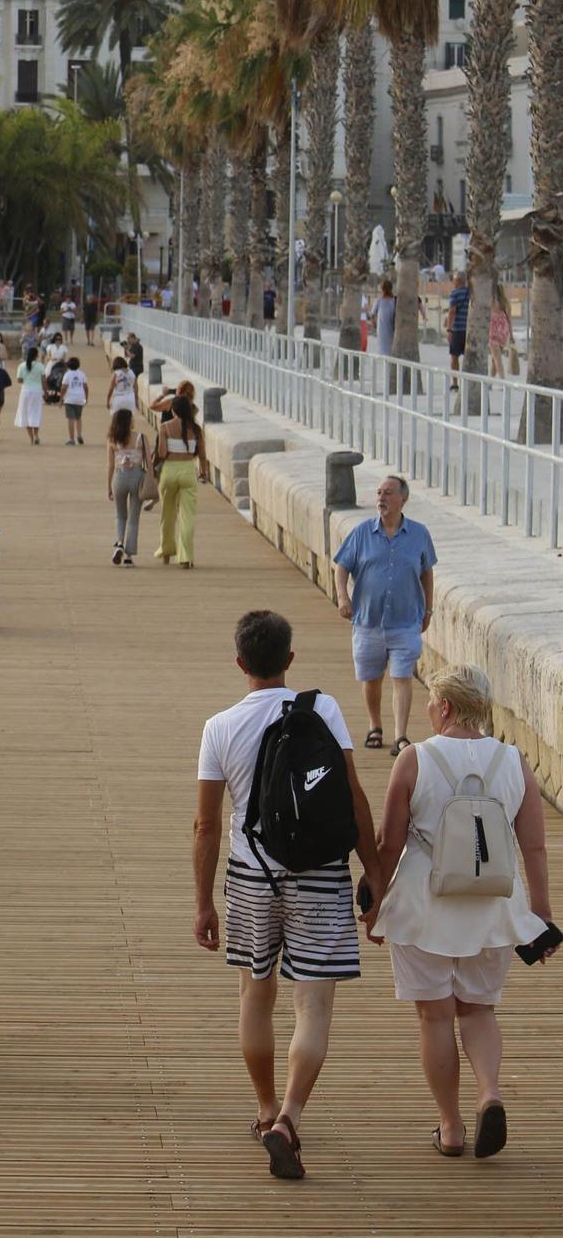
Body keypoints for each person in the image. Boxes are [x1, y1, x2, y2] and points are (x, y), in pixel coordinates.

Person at [194, 609, 383, 1183]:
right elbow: (352, 797)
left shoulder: (219, 727)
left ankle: (265, 1108)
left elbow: (205, 826)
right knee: (314, 1004)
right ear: (290, 661)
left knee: (256, 993)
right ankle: (291, 1118)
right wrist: (376, 876)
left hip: (251, 876)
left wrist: (204, 902)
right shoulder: (321, 709)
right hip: (321, 873)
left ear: (240, 663)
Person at [370, 663, 554, 1159]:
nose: (428, 709)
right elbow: (534, 848)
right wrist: (539, 918)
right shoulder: (514, 762)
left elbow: (389, 844)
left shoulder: (415, 760)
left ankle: (451, 1127)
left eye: (431, 702)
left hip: (424, 906)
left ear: (445, 707)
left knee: (435, 1017)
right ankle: (489, 1091)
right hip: (493, 908)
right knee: (478, 1009)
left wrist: (373, 905)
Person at [332, 475, 436, 757]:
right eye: (379, 492)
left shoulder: (419, 534)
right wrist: (343, 596)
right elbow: (341, 567)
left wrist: (428, 609)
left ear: (403, 499)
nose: (381, 498)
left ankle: (400, 735)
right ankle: (374, 725)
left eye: (388, 493)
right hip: (368, 621)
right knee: (372, 678)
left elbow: (427, 572)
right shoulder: (362, 533)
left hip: (406, 621)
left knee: (402, 676)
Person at [155, 395, 208, 568]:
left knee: (167, 514)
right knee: (187, 516)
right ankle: (185, 557)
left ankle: (167, 552)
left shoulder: (165, 427)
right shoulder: (196, 429)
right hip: (187, 471)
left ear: (173, 410)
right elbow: (202, 455)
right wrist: (203, 473)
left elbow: (162, 453)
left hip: (169, 471)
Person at [106, 407, 150, 567]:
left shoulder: (112, 440)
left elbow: (110, 466)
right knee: (133, 518)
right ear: (129, 421)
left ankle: (119, 542)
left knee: (120, 515)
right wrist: (151, 480)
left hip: (120, 477)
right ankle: (129, 557)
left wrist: (108, 487)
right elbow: (149, 464)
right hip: (137, 476)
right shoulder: (141, 438)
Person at [14, 344, 44, 444]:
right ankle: (36, 435)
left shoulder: (22, 366)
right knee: (35, 412)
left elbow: (19, 380)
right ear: (36, 355)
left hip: (26, 390)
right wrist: (46, 391)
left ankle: (31, 437)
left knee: (26, 413)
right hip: (37, 391)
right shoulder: (40, 366)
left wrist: (26, 380)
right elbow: (44, 380)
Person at [446, 269, 470, 389]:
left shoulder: (454, 293)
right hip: (469, 330)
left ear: (458, 281)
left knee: (454, 356)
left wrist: (449, 330)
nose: (453, 282)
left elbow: (452, 312)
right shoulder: (470, 293)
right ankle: (467, 382)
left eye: (454, 280)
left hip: (457, 330)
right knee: (468, 356)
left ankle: (455, 383)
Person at [487, 281, 516, 380]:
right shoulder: (506, 303)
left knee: (497, 359)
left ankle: (503, 381)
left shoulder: (491, 302)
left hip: (493, 332)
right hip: (503, 332)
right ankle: (490, 382)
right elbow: (510, 320)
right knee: (494, 359)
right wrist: (511, 335)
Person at [60, 356, 89, 446]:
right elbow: (85, 387)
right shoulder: (82, 374)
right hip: (80, 398)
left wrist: (61, 398)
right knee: (78, 418)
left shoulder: (67, 374)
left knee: (71, 419)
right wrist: (86, 398)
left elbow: (64, 387)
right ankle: (79, 434)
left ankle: (72, 438)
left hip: (70, 399)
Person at [374, 276, 397, 358]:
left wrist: (374, 324)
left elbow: (373, 314)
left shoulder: (379, 300)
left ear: (382, 289)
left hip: (381, 329)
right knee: (390, 352)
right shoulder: (394, 300)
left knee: (383, 352)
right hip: (392, 329)